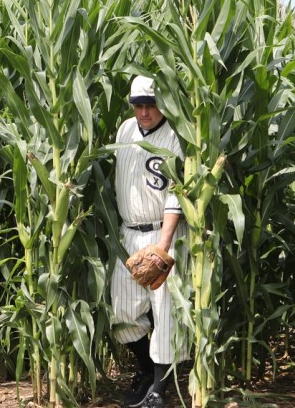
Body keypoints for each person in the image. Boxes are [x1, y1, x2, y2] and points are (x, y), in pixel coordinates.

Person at [110, 75, 188, 408]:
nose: (144, 112)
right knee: (122, 314)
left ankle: (159, 388)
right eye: (138, 105)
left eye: (150, 105)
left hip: (162, 233)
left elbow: (177, 193)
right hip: (129, 232)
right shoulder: (125, 131)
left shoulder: (176, 135)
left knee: (166, 313)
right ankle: (145, 370)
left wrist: (164, 246)